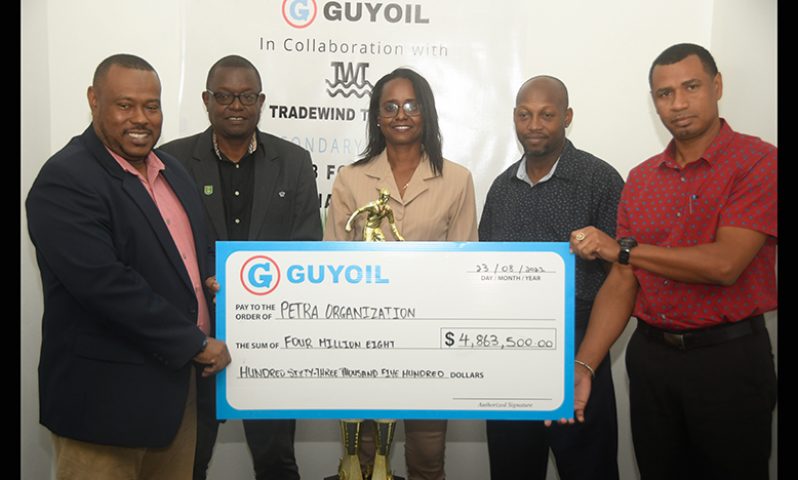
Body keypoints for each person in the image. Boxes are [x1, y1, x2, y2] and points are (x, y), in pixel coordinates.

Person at [569, 43, 777, 479]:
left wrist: (622, 250)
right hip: (652, 362)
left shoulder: (758, 162)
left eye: (691, 87)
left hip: (729, 362)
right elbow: (623, 283)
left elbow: (725, 265)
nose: (678, 103)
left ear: (717, 86)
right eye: (664, 94)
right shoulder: (642, 179)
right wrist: (584, 365)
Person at [25, 53, 231, 480]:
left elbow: (195, 254)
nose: (141, 118)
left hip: (177, 399)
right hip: (104, 408)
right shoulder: (66, 179)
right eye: (125, 105)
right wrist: (195, 343)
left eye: (151, 105)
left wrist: (212, 282)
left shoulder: (172, 169)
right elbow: (107, 287)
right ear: (93, 100)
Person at [160, 55, 322, 480]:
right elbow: (160, 249)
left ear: (261, 100)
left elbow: (307, 247)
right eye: (225, 96)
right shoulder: (170, 162)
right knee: (187, 462)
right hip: (194, 340)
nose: (236, 106)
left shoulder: (293, 161)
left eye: (246, 96)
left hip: (269, 341)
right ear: (206, 100)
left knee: (276, 462)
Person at [324, 67, 478, 480]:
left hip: (430, 342)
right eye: (389, 106)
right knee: (368, 455)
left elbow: (465, 268)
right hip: (364, 343)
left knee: (427, 457)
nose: (401, 114)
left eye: (411, 105)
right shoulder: (351, 179)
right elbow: (333, 268)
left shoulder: (458, 179)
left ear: (426, 112)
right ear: (377, 116)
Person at [478, 75, 623, 480]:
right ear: (514, 119)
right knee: (511, 467)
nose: (535, 125)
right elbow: (483, 274)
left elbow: (624, 277)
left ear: (567, 117)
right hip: (509, 353)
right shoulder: (501, 188)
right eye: (525, 115)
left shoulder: (600, 179)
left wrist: (586, 360)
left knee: (588, 469)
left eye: (547, 115)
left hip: (579, 349)